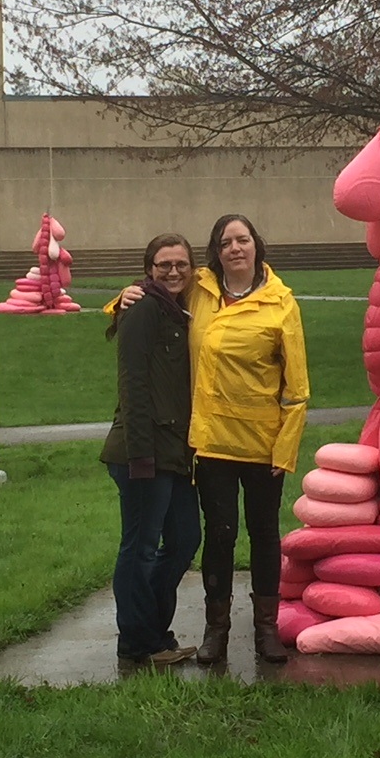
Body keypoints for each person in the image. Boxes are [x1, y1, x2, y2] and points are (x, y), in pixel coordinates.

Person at [116, 214, 311, 664]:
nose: (235, 248)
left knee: (264, 536)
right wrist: (122, 296)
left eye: (243, 239)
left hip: (264, 445)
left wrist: (286, 447)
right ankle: (215, 632)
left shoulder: (282, 303)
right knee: (218, 536)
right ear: (216, 252)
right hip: (212, 443)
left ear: (257, 245)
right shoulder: (201, 289)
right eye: (226, 242)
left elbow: (297, 389)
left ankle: (266, 630)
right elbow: (156, 289)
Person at [100, 233, 204, 668]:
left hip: (176, 453)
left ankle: (153, 630)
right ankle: (138, 643)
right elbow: (134, 385)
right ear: (149, 268)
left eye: (181, 263)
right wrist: (142, 456)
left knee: (183, 540)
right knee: (140, 549)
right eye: (164, 265)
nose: (174, 271)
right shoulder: (143, 309)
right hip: (142, 454)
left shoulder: (178, 308)